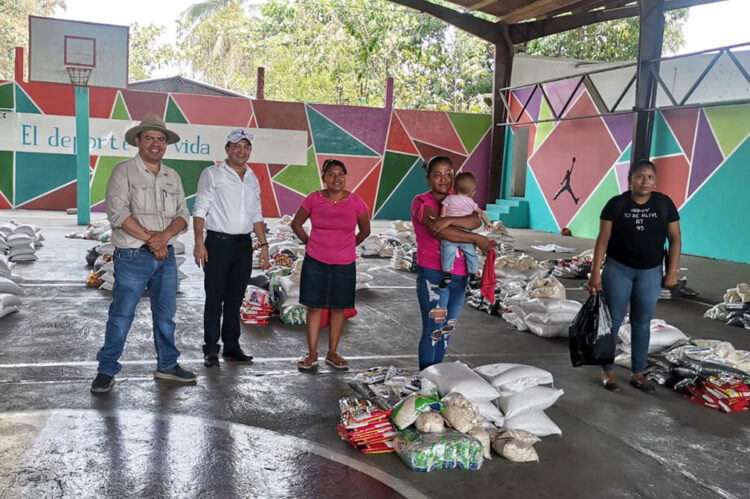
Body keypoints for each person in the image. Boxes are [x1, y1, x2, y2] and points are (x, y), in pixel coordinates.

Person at [91, 114, 194, 393]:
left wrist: (163, 239)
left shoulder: (172, 176)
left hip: (166, 256)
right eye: (149, 138)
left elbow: (183, 215)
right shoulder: (123, 172)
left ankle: (167, 365)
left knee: (166, 316)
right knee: (121, 315)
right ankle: (106, 370)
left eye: (161, 139)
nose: (155, 144)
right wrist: (153, 240)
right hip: (133, 256)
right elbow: (118, 214)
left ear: (166, 144)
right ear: (138, 141)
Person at [587, 159, 682, 393]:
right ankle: (608, 370)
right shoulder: (616, 204)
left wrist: (672, 272)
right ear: (630, 179)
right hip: (618, 269)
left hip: (650, 272)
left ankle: (638, 373)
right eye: (639, 176)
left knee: (642, 323)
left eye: (650, 177)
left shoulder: (664, 204)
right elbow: (603, 239)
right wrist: (595, 273)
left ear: (655, 181)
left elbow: (675, 239)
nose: (645, 181)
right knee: (613, 321)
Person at [192, 129, 270, 368]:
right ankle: (211, 349)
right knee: (214, 298)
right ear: (227, 148)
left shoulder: (252, 177)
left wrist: (264, 244)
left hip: (243, 245)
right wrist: (199, 242)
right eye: (237, 146)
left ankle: (232, 347)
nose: (241, 151)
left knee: (235, 299)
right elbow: (200, 209)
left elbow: (257, 214)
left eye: (246, 147)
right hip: (218, 244)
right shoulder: (212, 174)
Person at [412, 156, 492, 370]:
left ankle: (438, 376)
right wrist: (477, 239)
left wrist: (448, 219)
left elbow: (475, 220)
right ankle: (427, 378)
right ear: (428, 178)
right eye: (437, 175)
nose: (443, 179)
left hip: (460, 274)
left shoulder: (458, 199)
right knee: (434, 329)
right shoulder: (422, 202)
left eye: (448, 174)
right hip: (434, 274)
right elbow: (439, 231)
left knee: (447, 328)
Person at [290, 159, 371, 371]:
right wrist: (309, 242)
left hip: (344, 264)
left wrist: (348, 245)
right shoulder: (313, 199)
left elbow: (365, 231)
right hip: (315, 262)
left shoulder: (356, 202)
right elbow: (296, 224)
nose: (336, 178)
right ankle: (312, 354)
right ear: (324, 178)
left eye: (340, 174)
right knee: (314, 307)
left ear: (346, 177)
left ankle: (332, 353)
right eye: (331, 174)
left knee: (338, 308)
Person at [438, 171, 492, 289]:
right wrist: (487, 223)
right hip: (466, 234)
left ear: (454, 188)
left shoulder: (449, 198)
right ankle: (473, 276)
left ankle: (446, 275)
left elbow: (443, 211)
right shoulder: (471, 202)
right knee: (471, 254)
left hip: (451, 233)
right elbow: (481, 213)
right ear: (472, 193)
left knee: (447, 252)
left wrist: (442, 219)